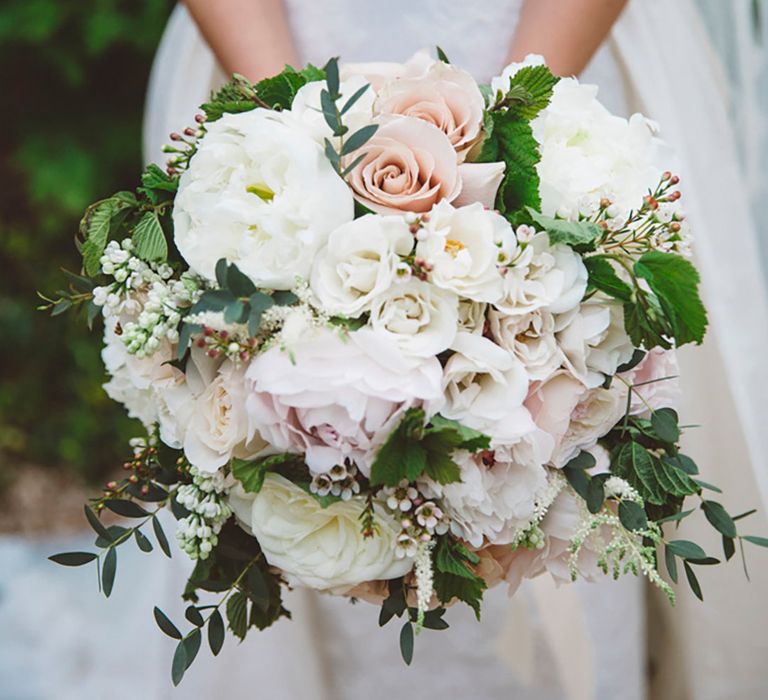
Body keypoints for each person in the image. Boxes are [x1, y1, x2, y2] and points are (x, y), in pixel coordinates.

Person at [142, 1, 768, 698]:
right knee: (296, 457)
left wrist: (507, 152)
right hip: (268, 56)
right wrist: (298, 138)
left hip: (552, 57)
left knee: (566, 438)